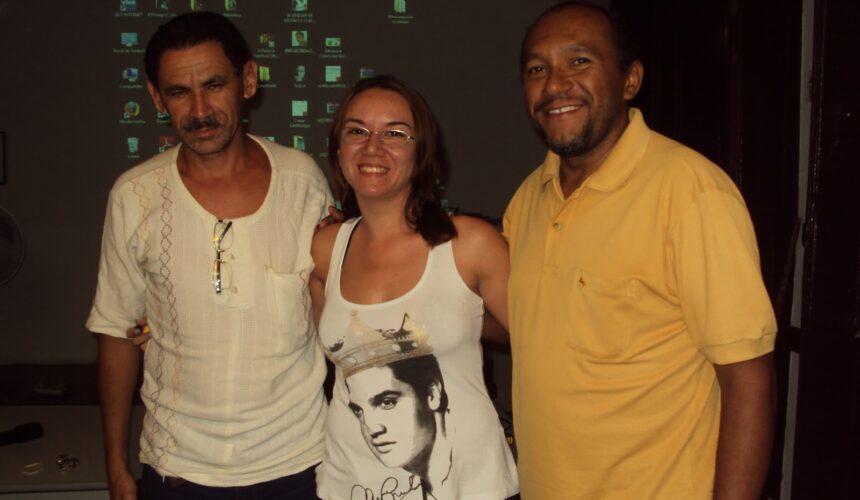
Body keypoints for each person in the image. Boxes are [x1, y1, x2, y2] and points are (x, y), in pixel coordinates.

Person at [503, 2, 777, 499]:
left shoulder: (690, 193)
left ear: (630, 80)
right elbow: (518, 319)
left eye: (579, 61)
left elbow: (748, 381)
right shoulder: (527, 199)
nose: (555, 84)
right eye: (537, 69)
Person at [86, 12, 331, 500]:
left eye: (214, 85)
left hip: (301, 465)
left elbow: (334, 312)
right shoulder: (134, 196)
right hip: (178, 470)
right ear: (157, 98)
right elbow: (116, 333)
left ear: (248, 80)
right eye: (179, 92)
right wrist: (116, 468)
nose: (199, 110)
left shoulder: (302, 180)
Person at [310, 75, 518, 500]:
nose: (373, 147)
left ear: (422, 152)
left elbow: (540, 346)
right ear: (338, 150)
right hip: (351, 484)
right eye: (357, 131)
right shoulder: (326, 248)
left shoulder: (470, 244)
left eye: (394, 133)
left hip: (470, 487)